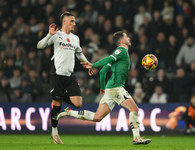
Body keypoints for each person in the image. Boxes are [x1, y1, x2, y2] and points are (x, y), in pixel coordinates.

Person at [57, 31, 151, 145]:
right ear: (122, 41)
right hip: (116, 87)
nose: (129, 38)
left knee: (97, 117)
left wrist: (103, 87)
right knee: (134, 110)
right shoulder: (121, 50)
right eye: (127, 36)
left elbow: (103, 71)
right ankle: (136, 137)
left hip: (109, 88)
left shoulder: (118, 56)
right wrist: (93, 65)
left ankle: (69, 113)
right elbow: (106, 61)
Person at [37, 12, 92, 144]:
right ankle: (55, 132)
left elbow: (79, 54)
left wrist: (88, 64)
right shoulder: (56, 35)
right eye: (72, 21)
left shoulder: (75, 38)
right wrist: (49, 35)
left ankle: (60, 99)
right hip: (57, 74)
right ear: (65, 22)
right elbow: (40, 46)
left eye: (74, 21)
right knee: (56, 105)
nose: (74, 23)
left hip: (70, 75)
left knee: (78, 103)